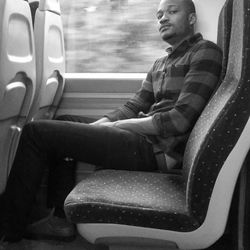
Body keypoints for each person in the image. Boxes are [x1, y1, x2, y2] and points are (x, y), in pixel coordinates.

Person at [0, 0, 222, 243]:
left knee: (35, 132)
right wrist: (95, 127)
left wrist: (115, 127)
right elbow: (134, 106)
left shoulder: (205, 52)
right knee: (64, 122)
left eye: (172, 11)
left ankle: (9, 229)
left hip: (158, 151)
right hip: (142, 139)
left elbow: (179, 121)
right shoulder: (161, 63)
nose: (163, 19)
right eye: (159, 15)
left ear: (191, 18)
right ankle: (60, 220)